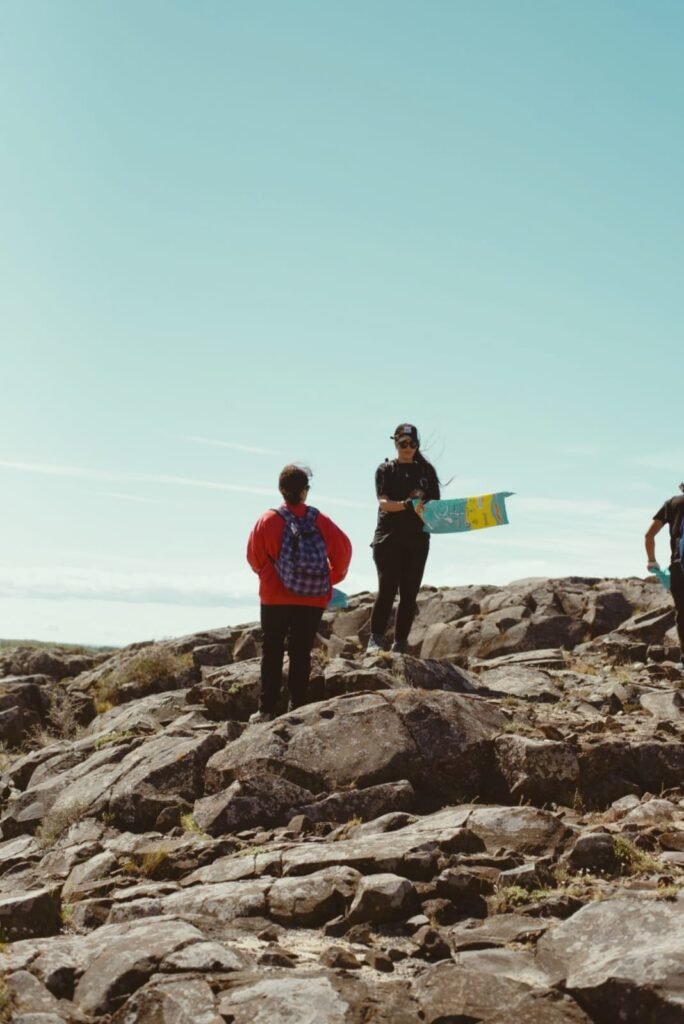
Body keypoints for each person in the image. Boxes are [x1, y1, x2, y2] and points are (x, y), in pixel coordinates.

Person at [246, 464, 352, 722]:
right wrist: (328, 578)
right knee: (301, 650)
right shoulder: (320, 521)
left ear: (281, 490)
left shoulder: (267, 520)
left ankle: (267, 708)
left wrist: (271, 575)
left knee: (272, 650)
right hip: (312, 596)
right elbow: (344, 551)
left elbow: (253, 557)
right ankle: (298, 706)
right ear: (305, 491)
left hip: (274, 595)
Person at [367, 423, 440, 654]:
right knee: (387, 588)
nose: (408, 448)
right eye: (403, 443)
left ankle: (400, 645)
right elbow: (384, 503)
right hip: (387, 539)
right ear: (396, 443)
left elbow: (435, 507)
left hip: (417, 540)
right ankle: (375, 641)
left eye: (412, 444)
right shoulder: (385, 470)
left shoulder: (426, 472)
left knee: (409, 593)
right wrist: (407, 505)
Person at [645, 482, 684, 667]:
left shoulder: (671, 504)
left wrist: (652, 560)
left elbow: (649, 535)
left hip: (678, 567)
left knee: (682, 613)